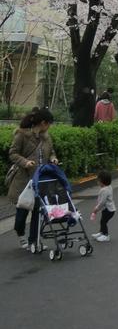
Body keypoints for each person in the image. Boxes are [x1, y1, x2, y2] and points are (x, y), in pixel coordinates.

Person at [8, 107, 58, 249]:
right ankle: (20, 233)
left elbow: (52, 152)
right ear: (43, 123)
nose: (49, 127)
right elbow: (13, 153)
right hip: (24, 181)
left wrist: (53, 158)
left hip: (41, 181)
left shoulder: (47, 137)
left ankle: (33, 241)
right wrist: (25, 162)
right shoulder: (22, 135)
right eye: (49, 123)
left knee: (38, 212)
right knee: (22, 213)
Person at [90, 170, 116, 243]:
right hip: (110, 209)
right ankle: (101, 233)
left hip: (108, 210)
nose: (97, 182)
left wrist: (96, 209)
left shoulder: (104, 190)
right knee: (102, 221)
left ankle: (106, 235)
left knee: (103, 222)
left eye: (98, 180)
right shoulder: (109, 187)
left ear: (102, 181)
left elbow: (102, 202)